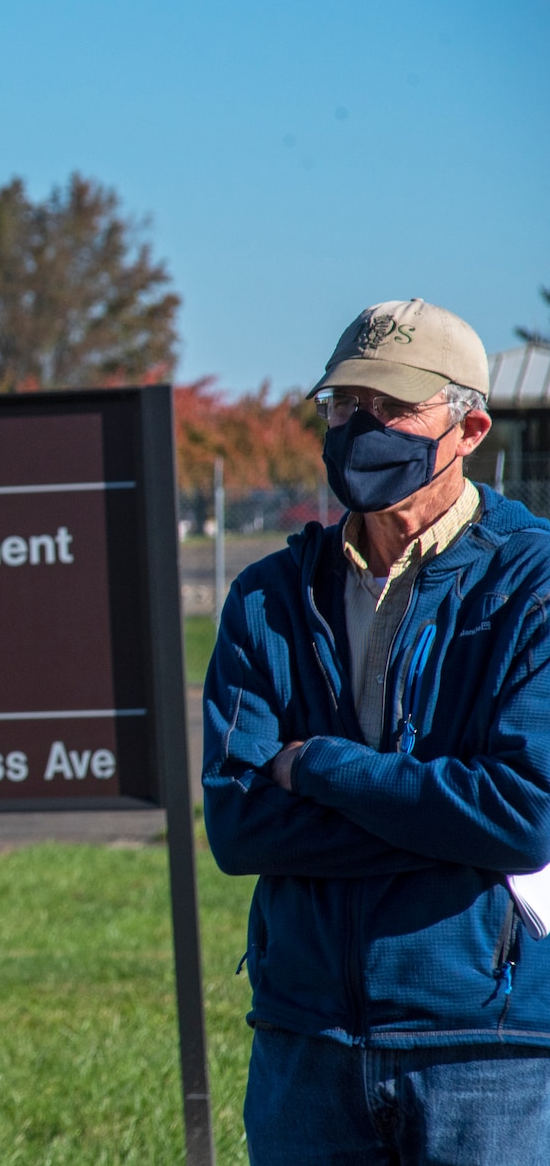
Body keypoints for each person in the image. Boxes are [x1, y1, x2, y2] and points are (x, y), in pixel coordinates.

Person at [202, 298, 550, 1161]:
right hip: (305, 1042)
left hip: (487, 1052)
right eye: (344, 405)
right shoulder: (268, 597)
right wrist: (445, 826)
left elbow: (520, 812)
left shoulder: (532, 586)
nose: (363, 428)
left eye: (392, 408)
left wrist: (319, 764)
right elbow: (240, 824)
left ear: (469, 427)